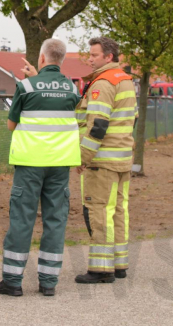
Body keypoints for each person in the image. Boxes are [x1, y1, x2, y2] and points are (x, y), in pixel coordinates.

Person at [0, 39, 81, 298]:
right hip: (60, 164)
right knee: (55, 220)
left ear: (41, 58)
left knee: (22, 219)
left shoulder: (26, 87)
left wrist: (33, 79)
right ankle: (49, 282)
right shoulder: (73, 89)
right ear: (61, 59)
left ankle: (12, 281)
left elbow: (11, 125)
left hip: (30, 163)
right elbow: (55, 101)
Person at [74, 37, 136, 284]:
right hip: (122, 158)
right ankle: (119, 264)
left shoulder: (103, 83)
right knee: (119, 211)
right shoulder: (125, 80)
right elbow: (132, 118)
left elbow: (97, 125)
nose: (89, 59)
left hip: (102, 161)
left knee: (99, 210)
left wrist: (82, 157)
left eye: (94, 55)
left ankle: (101, 269)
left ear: (108, 57)